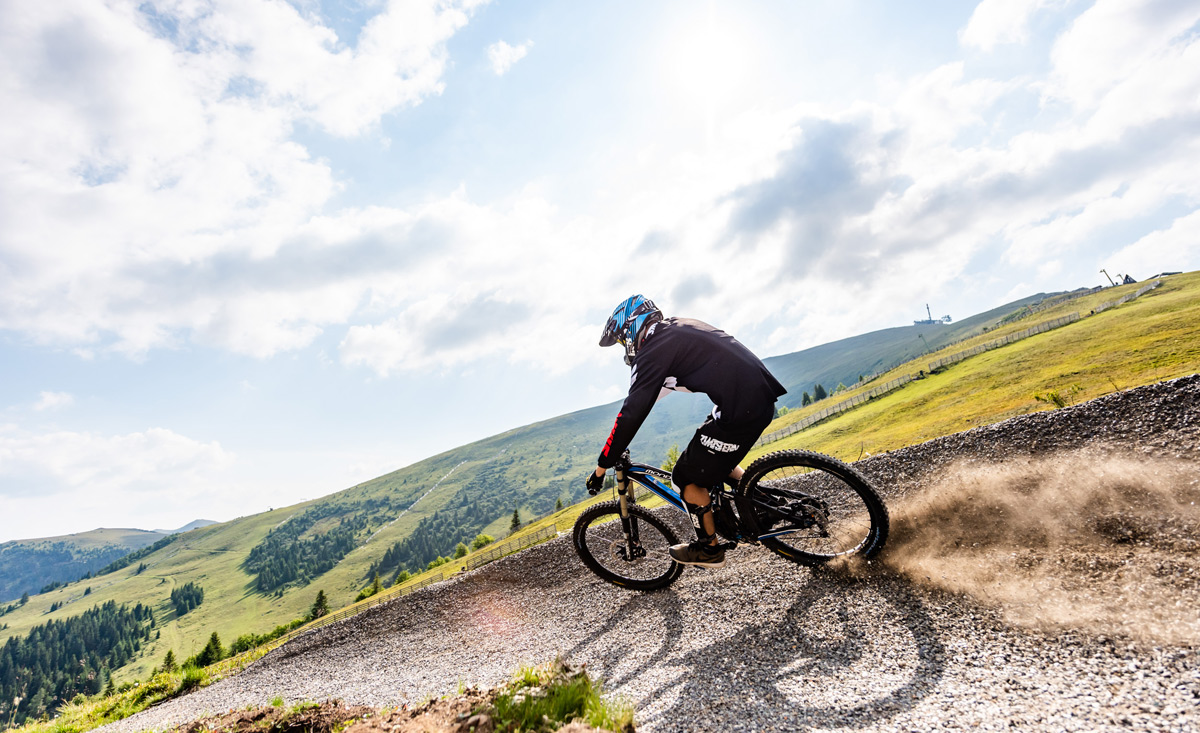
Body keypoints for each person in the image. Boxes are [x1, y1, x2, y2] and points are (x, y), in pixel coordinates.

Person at [585, 295, 787, 568]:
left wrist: (602, 466)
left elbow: (632, 411)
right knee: (709, 451)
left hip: (741, 407)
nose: (624, 347)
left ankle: (709, 550)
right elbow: (651, 396)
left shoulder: (653, 350)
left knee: (685, 477)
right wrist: (619, 440)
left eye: (622, 339)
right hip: (755, 396)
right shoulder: (675, 329)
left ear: (631, 327)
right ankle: (762, 505)